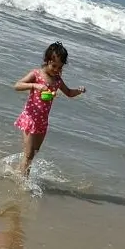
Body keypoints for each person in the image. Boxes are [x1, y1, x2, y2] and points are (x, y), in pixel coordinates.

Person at [14, 41, 86, 175]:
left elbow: (69, 93)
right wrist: (35, 86)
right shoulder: (36, 74)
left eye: (60, 67)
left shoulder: (57, 80)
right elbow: (17, 85)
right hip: (30, 118)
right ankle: (23, 183)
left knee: (33, 153)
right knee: (28, 154)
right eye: (54, 66)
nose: (56, 70)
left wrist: (79, 90)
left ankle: (19, 172)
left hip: (42, 121)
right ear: (47, 61)